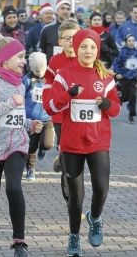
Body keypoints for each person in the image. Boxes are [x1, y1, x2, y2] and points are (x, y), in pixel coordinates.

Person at [44, 29, 121, 256]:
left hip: (98, 141)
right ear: (76, 48)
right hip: (72, 143)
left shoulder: (106, 77)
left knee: (101, 188)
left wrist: (106, 103)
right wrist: (68, 94)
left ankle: (95, 217)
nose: (89, 51)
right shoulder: (64, 75)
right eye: (84, 46)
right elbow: (50, 107)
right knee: (76, 196)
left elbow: (116, 109)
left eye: (93, 47)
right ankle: (74, 236)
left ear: (98, 50)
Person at [0, 30, 43, 256]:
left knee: (14, 187)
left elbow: (19, 116)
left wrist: (30, 124)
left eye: (25, 57)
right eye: (21, 57)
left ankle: (19, 242)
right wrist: (8, 104)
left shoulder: (20, 83)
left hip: (17, 145)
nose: (25, 61)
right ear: (5, 59)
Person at [43, 18, 80, 205]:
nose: (71, 42)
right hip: (60, 115)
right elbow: (48, 84)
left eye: (75, 37)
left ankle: (61, 156)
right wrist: (49, 104)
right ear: (60, 42)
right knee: (69, 159)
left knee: (75, 154)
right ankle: (70, 199)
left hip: (81, 117)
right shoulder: (55, 61)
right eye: (67, 38)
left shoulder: (88, 58)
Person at [22, 52, 54, 180]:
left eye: (41, 70)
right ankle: (30, 168)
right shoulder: (27, 80)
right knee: (31, 146)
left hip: (47, 117)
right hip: (32, 119)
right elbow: (22, 96)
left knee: (47, 144)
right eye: (36, 71)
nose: (40, 73)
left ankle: (43, 148)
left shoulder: (51, 78)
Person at [113, 33, 137, 124]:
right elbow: (116, 64)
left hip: (133, 77)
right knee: (123, 97)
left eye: (133, 40)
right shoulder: (122, 52)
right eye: (129, 41)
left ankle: (132, 115)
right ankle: (114, 109)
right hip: (124, 77)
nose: (131, 42)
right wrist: (117, 73)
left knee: (133, 96)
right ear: (126, 42)